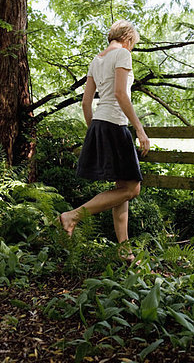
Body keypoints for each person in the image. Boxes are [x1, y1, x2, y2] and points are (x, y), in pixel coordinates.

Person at [59, 20, 150, 262]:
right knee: (133, 188)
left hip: (100, 123)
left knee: (123, 189)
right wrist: (139, 129)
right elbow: (121, 94)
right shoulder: (122, 54)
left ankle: (125, 251)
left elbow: (85, 103)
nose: (132, 49)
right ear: (128, 39)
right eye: (133, 44)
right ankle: (73, 215)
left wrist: (94, 130)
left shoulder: (96, 60)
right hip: (115, 124)